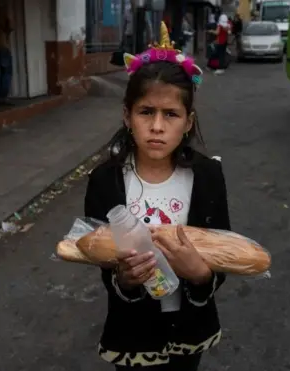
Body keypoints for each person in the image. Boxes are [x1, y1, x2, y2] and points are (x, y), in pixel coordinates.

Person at [84, 22, 231, 371]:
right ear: (127, 115)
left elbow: (223, 249)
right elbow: (101, 256)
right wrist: (124, 279)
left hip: (190, 326)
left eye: (171, 114)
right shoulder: (105, 180)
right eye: (146, 112)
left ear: (188, 121)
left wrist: (200, 275)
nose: (157, 126)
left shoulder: (208, 176)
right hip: (132, 330)